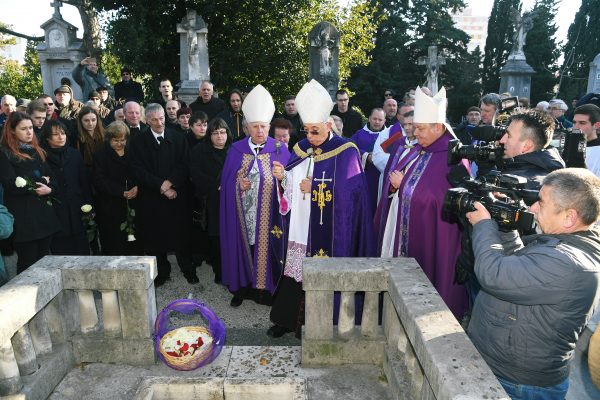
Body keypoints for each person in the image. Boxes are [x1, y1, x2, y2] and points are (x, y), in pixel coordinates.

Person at [466, 168, 600, 400]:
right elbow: (523, 267)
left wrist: (484, 226)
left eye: (541, 202)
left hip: (519, 385)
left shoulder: (569, 262)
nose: (532, 208)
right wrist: (506, 226)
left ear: (569, 217)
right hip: (511, 372)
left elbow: (494, 273)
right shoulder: (567, 244)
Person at [268, 80, 375, 338]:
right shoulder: (302, 148)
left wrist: (315, 186)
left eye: (314, 131)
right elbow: (294, 177)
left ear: (329, 126)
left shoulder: (346, 150)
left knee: (322, 269)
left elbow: (351, 193)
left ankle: (320, 323)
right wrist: (283, 177)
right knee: (295, 270)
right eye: (306, 131)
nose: (309, 137)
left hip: (329, 228)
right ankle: (287, 320)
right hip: (302, 222)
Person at [374, 86, 469, 319]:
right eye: (415, 128)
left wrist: (404, 185)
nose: (415, 134)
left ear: (438, 127)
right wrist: (395, 187)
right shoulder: (418, 149)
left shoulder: (455, 157)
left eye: (420, 128)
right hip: (406, 231)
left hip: (435, 237)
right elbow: (400, 185)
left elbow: (444, 201)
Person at [220, 84, 291, 307]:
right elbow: (226, 182)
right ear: (247, 128)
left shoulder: (280, 149)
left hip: (270, 216)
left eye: (263, 126)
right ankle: (242, 288)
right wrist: (237, 185)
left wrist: (282, 178)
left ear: (269, 126)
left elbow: (291, 184)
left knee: (268, 249)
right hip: (244, 215)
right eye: (255, 127)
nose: (260, 131)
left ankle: (267, 289)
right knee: (244, 247)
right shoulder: (236, 149)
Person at [129, 103, 197, 286]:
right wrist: (160, 186)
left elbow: (185, 164)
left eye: (161, 118)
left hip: (177, 195)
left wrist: (170, 183)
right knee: (154, 236)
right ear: (146, 120)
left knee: (181, 235)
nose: (159, 123)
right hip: (152, 198)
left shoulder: (178, 138)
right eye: (154, 120)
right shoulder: (137, 142)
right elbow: (138, 170)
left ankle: (188, 269)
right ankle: (162, 272)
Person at [0, 112, 59, 273]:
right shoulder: (5, 153)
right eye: (23, 129)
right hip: (24, 220)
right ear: (12, 131)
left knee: (44, 263)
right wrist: (42, 182)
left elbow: (52, 177)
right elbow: (11, 184)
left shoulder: (36, 150)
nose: (29, 132)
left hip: (44, 217)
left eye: (31, 128)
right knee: (28, 266)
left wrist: (50, 188)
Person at [190, 118, 232, 283]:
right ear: (210, 135)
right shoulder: (200, 150)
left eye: (222, 132)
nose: (219, 136)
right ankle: (219, 272)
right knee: (216, 238)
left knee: (232, 238)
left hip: (234, 200)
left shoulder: (235, 150)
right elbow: (195, 173)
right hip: (212, 201)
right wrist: (217, 185)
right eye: (215, 133)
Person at [40, 120, 91, 256]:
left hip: (77, 208)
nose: (61, 137)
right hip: (56, 211)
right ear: (47, 138)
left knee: (82, 251)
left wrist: (89, 203)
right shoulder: (42, 157)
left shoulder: (75, 154)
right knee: (62, 253)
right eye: (56, 134)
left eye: (63, 133)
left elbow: (83, 182)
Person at [92, 121, 141, 255]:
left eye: (122, 140)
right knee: (113, 240)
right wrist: (121, 192)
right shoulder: (100, 156)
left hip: (133, 201)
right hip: (110, 205)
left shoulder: (134, 152)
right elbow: (99, 180)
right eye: (115, 140)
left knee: (134, 239)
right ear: (108, 139)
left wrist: (137, 187)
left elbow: (140, 172)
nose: (119, 144)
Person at [351, 108, 388, 214]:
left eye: (380, 120)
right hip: (365, 176)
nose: (377, 122)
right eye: (374, 119)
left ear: (384, 121)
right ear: (369, 119)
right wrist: (366, 156)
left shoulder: (390, 135)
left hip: (382, 177)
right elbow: (351, 148)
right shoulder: (359, 134)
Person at [75, 107, 105, 176]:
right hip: (85, 173)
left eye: (93, 120)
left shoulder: (105, 135)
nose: (90, 123)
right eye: (86, 120)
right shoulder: (76, 137)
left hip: (103, 172)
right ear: (80, 121)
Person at [573, 104, 600, 176]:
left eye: (582, 123)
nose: (576, 127)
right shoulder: (568, 146)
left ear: (596, 125)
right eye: (574, 122)